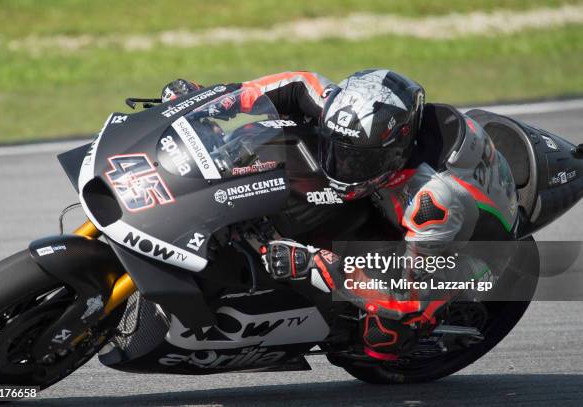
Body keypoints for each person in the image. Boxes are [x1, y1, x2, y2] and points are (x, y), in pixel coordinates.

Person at [160, 70, 519, 360]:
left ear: (395, 151)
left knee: (387, 334)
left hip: (467, 252)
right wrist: (205, 102)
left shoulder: (433, 202)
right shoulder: (339, 106)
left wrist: (320, 265)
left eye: (359, 160)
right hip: (403, 196)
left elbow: (410, 295)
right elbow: (291, 84)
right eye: (337, 149)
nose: (343, 166)